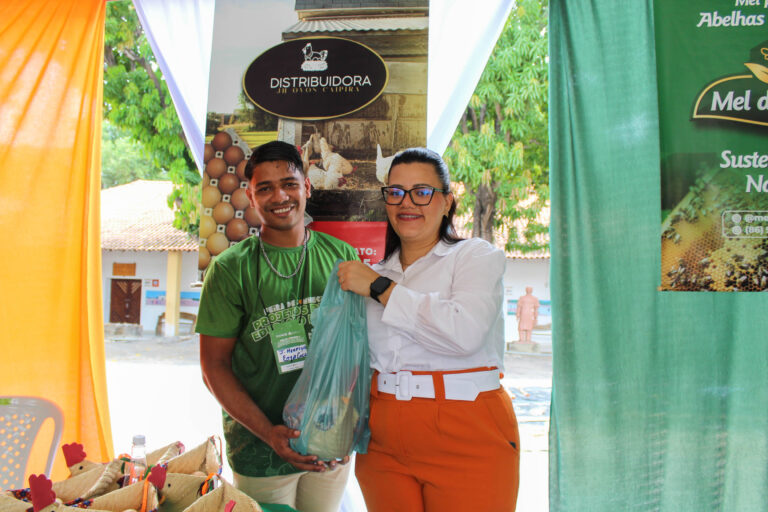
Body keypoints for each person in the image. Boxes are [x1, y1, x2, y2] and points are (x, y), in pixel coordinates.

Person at [337, 147, 520, 511]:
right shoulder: (376, 271)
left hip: (467, 428)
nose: (407, 202)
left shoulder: (474, 257)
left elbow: (464, 332)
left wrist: (380, 289)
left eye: (422, 192)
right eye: (395, 192)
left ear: (447, 201)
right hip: (383, 434)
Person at [195, 141, 358, 512]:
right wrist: (270, 434)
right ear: (250, 197)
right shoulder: (230, 269)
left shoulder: (341, 258)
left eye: (289, 184)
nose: (279, 196)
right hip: (258, 450)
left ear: (307, 188)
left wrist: (345, 424)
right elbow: (213, 367)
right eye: (264, 188)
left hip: (327, 444)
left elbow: (353, 351)